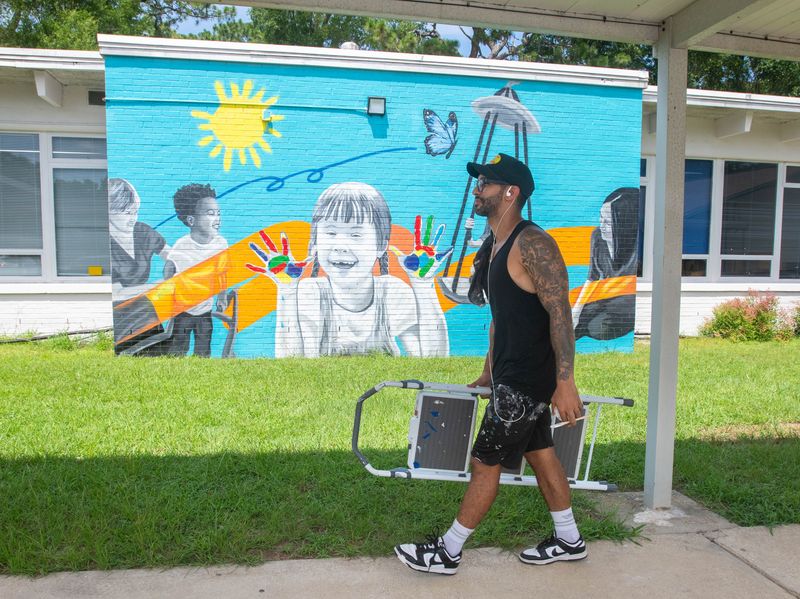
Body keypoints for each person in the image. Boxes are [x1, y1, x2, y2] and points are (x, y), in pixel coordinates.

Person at [394, 153, 586, 575]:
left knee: (485, 462)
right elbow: (503, 317)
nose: (477, 190)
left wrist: (565, 382)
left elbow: (561, 315)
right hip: (510, 376)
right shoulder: (496, 243)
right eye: (479, 181)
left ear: (510, 192)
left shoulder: (533, 243)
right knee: (540, 454)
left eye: (486, 183)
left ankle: (448, 551)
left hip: (526, 380)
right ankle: (570, 539)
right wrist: (487, 370)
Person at [246, 182, 451, 357]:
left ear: (381, 246)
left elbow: (432, 358)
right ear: (314, 244)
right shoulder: (310, 292)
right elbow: (292, 361)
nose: (341, 245)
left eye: (355, 235)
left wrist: (423, 286)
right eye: (331, 233)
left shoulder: (392, 292)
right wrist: (287, 291)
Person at [164, 183, 229, 357]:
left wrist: (222, 296)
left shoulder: (221, 245)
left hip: (205, 309)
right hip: (183, 309)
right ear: (191, 220)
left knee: (203, 346)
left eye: (218, 213)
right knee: (179, 346)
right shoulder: (182, 246)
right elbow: (169, 269)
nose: (217, 218)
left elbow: (222, 273)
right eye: (210, 214)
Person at [572, 187, 639, 340]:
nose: (602, 225)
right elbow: (592, 279)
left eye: (608, 222)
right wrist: (576, 313)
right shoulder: (597, 237)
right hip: (605, 297)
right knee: (571, 319)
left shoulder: (635, 247)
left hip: (623, 302)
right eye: (601, 218)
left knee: (597, 328)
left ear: (622, 224)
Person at [108, 178, 170, 301]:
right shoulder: (107, 245)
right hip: (121, 313)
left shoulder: (143, 231)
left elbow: (173, 255)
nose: (133, 218)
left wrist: (174, 266)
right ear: (109, 211)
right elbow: (117, 294)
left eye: (135, 212)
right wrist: (159, 285)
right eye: (127, 213)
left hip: (147, 306)